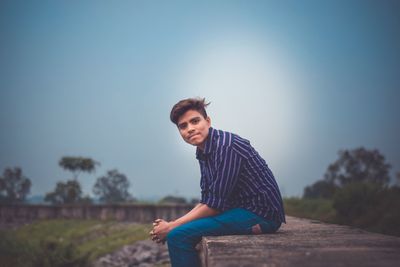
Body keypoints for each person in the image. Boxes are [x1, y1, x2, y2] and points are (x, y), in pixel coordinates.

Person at [150, 98, 285, 267]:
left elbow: (214, 206)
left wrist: (171, 227)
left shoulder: (226, 146)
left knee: (178, 236)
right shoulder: (204, 150)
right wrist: (172, 224)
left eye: (195, 121)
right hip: (240, 209)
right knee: (178, 230)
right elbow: (208, 199)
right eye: (183, 126)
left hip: (261, 214)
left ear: (208, 121)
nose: (190, 129)